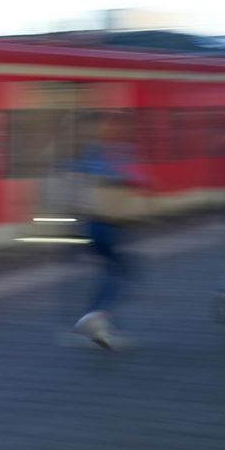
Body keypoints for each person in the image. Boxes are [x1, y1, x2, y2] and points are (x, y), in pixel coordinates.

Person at [67, 112, 148, 350]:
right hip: (109, 224)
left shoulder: (91, 153)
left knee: (109, 271)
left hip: (91, 225)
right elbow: (137, 180)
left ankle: (98, 325)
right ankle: (95, 316)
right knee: (120, 272)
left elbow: (76, 182)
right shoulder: (121, 154)